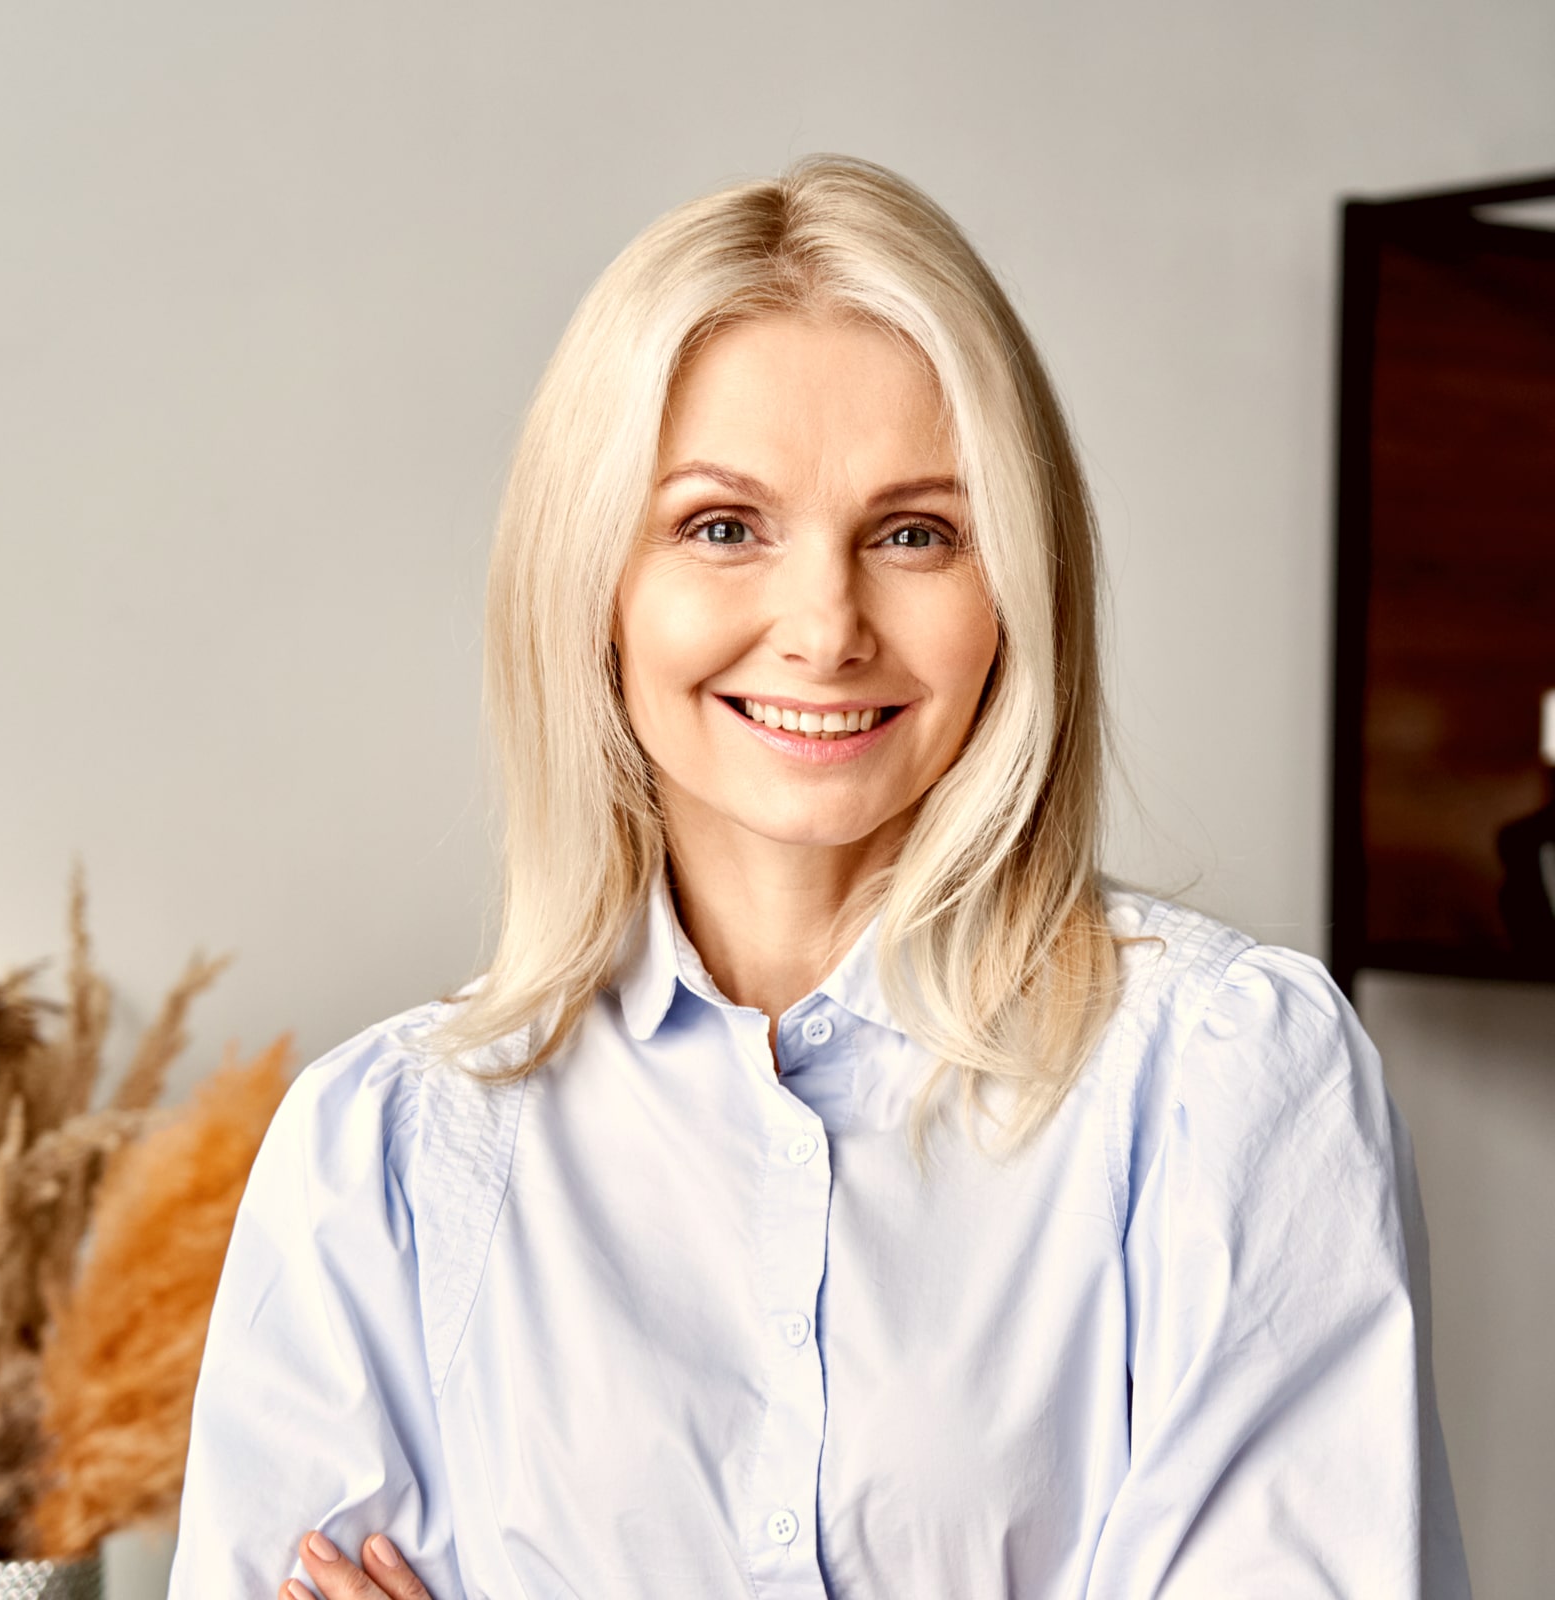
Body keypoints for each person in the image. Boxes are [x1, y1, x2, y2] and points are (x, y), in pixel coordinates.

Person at [167, 155, 1469, 1600]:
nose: (826, 627)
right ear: (592, 583)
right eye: (722, 527)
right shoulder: (383, 1157)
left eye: (916, 534)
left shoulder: (1230, 1084)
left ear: (1016, 587)